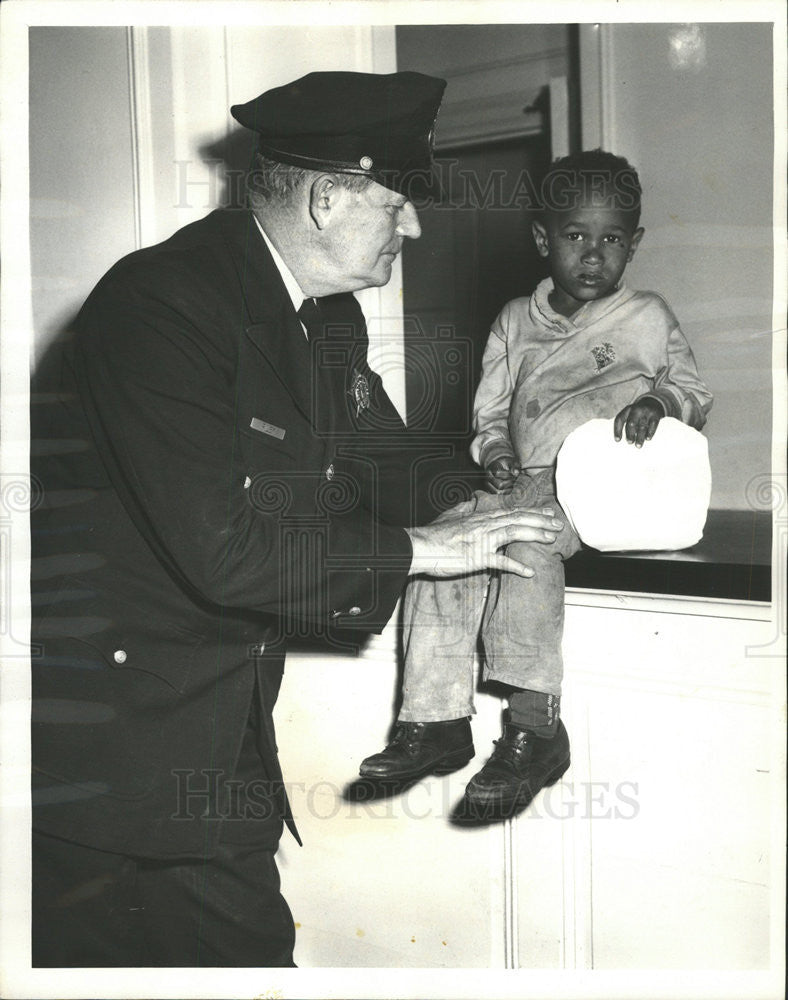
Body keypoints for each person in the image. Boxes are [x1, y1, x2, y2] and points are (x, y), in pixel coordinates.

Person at [29, 70, 566, 967]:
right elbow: (226, 549)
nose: (415, 226)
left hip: (216, 731)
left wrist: (494, 500)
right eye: (399, 205)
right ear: (327, 198)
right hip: (113, 760)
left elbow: (388, 461)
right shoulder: (160, 303)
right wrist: (421, 550)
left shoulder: (326, 321)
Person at [359, 150, 714, 823]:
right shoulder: (514, 320)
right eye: (576, 236)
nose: (592, 255)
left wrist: (660, 405)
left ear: (633, 244)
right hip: (523, 479)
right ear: (543, 239)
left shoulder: (646, 315)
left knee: (527, 546)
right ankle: (433, 720)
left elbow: (694, 389)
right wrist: (492, 452)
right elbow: (489, 414)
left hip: (607, 485)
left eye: (611, 240)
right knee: (448, 544)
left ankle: (536, 726)